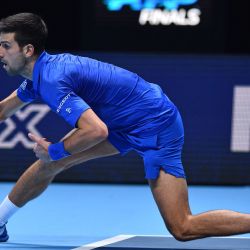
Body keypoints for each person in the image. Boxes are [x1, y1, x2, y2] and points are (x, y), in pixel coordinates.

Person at [0, 12, 250, 243]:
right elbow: (3, 111)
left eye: (6, 46)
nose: (0, 52)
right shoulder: (37, 77)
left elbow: (96, 131)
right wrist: (54, 155)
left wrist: (55, 150)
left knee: (182, 227)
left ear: (28, 50)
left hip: (156, 125)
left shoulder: (53, 80)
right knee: (50, 163)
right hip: (122, 118)